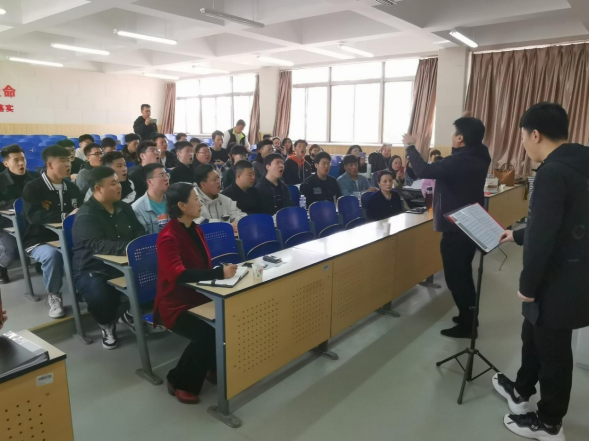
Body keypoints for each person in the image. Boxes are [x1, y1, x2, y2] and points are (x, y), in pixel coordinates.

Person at [493, 103, 589, 441]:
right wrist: (518, 234)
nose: (522, 143)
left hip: (556, 280)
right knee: (532, 334)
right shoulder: (581, 161)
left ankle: (549, 423)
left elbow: (545, 235)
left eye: (522, 136)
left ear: (535, 134)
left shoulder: (551, 172)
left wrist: (528, 285)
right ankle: (521, 390)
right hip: (578, 273)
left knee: (554, 352)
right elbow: (566, 221)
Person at [404, 117, 491, 339]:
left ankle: (467, 326)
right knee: (464, 273)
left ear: (460, 138)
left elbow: (424, 170)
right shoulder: (481, 154)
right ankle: (468, 317)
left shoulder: (459, 161)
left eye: (455, 133)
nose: (452, 137)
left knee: (456, 277)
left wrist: (410, 146)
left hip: (456, 227)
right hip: (470, 223)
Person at [154, 183, 238, 404]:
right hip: (175, 304)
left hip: (199, 295)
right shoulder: (168, 236)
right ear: (181, 205)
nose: (200, 203)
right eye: (195, 199)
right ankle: (178, 380)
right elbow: (178, 275)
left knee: (226, 320)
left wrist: (218, 274)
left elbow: (201, 266)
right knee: (206, 333)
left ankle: (210, 366)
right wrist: (219, 273)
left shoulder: (195, 228)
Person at [73, 167, 146, 350]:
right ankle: (106, 326)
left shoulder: (124, 207)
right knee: (99, 294)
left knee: (158, 277)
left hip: (125, 263)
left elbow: (139, 231)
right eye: (113, 184)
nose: (119, 187)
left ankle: (128, 315)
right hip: (93, 268)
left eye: (118, 182)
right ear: (98, 188)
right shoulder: (86, 214)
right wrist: (129, 248)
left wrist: (136, 246)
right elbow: (97, 244)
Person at [23, 145, 83, 319]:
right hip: (38, 239)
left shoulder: (72, 188)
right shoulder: (33, 187)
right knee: (53, 255)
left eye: (69, 160)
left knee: (87, 249)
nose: (68, 164)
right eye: (62, 161)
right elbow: (34, 216)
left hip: (67, 237)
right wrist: (65, 216)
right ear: (49, 164)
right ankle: (54, 295)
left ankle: (83, 288)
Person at [0, 145, 39, 284]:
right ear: (6, 163)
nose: (21, 163)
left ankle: (40, 261)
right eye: (16, 160)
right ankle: (1, 265)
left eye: (23, 159)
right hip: (6, 224)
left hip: (32, 221)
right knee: (13, 251)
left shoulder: (35, 177)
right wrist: (15, 204)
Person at [194, 165, 246, 232]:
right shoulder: (192, 200)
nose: (219, 181)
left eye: (218, 178)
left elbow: (239, 215)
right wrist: (227, 226)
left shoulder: (225, 199)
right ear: (203, 184)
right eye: (214, 179)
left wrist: (239, 223)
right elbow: (199, 222)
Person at [132, 164, 170, 234]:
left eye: (166, 175)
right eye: (162, 175)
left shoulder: (173, 201)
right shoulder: (138, 209)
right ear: (149, 181)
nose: (166, 178)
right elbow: (143, 237)